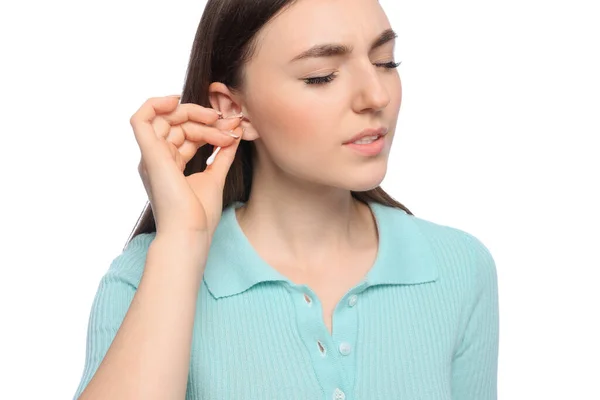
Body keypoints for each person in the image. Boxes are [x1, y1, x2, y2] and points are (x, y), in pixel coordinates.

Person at [73, 0, 499, 399]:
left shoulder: (458, 267)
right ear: (234, 109)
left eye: (384, 61)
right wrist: (182, 242)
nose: (377, 96)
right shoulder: (146, 276)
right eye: (321, 75)